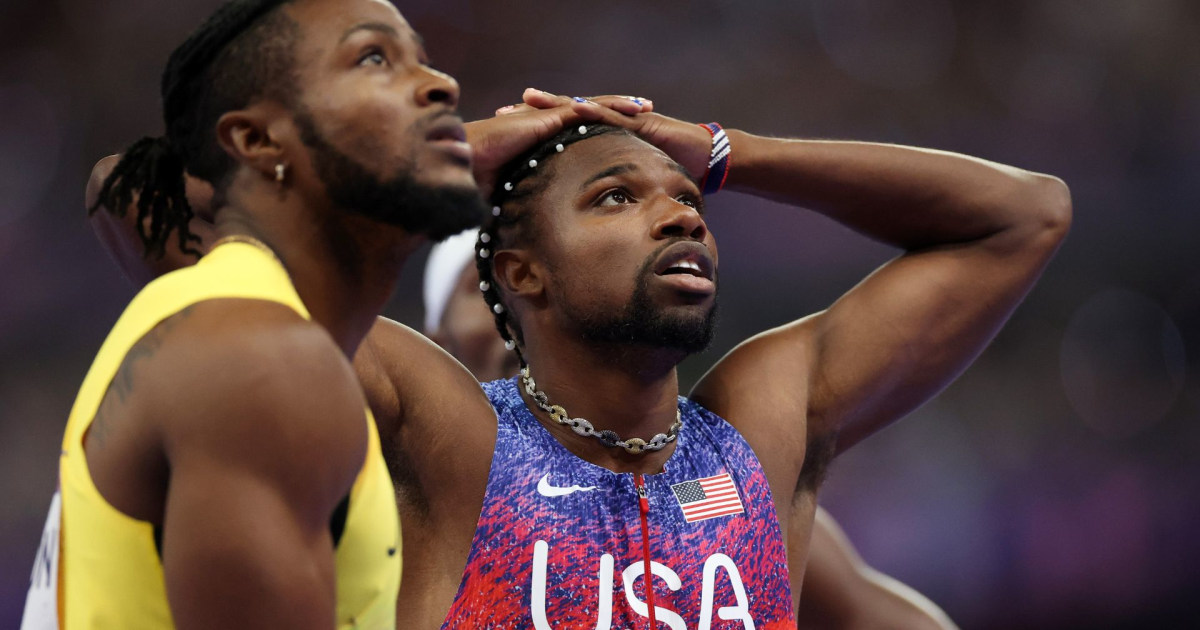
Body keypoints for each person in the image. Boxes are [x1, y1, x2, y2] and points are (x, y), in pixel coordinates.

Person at [85, 90, 1068, 628]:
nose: (680, 210)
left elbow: (1024, 216)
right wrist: (449, 157)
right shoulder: (448, 433)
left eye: (686, 198)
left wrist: (729, 153)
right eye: (614, 199)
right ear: (522, 274)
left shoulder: (755, 441)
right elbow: (140, 206)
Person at [21, 0, 490, 626]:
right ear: (257, 140)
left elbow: (121, 182)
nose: (443, 84)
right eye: (375, 58)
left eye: (426, 63)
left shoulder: (241, 318)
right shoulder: (260, 357)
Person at [421, 229, 958, 629]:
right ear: (433, 338)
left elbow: (879, 617)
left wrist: (724, 154)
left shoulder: (700, 487)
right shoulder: (388, 474)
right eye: (483, 287)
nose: (515, 309)